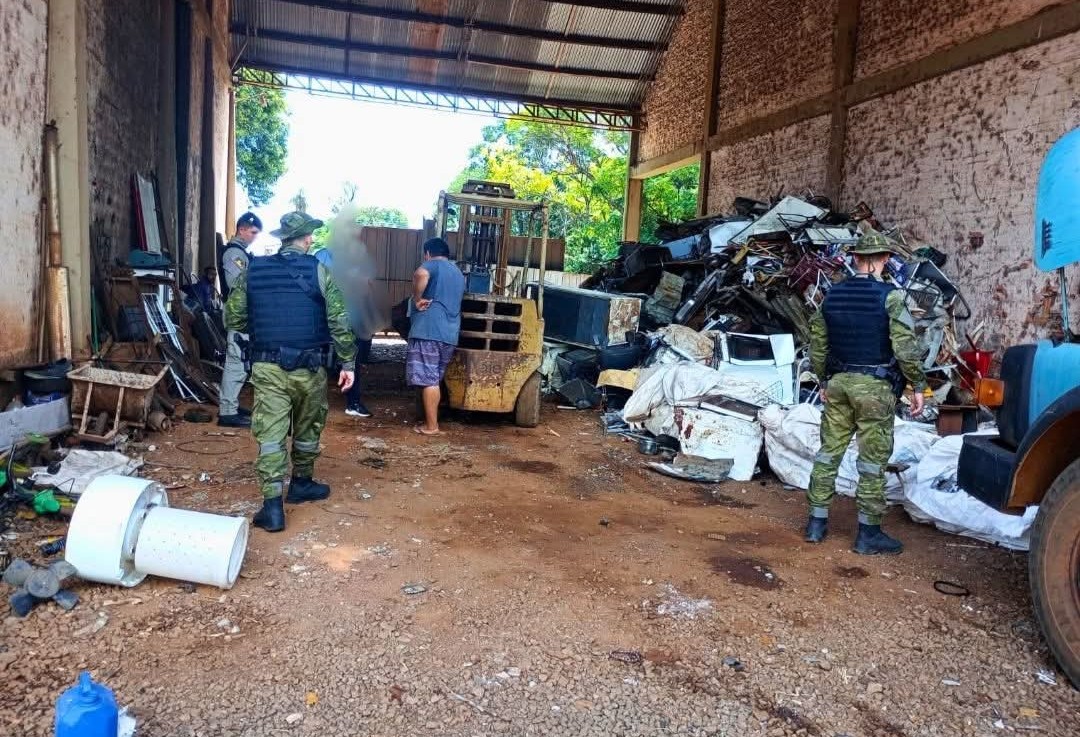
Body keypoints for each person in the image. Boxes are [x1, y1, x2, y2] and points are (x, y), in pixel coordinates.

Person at [224, 211, 357, 533]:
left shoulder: (253, 270)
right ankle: (301, 483)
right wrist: (348, 363)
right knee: (308, 427)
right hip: (310, 367)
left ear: (283, 238)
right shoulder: (319, 270)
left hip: (268, 367)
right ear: (307, 238)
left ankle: (272, 506)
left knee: (270, 434)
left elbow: (233, 319)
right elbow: (339, 321)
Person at [805, 233, 927, 555]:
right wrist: (917, 385)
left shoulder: (831, 295)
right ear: (884, 258)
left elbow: (817, 345)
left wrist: (823, 381)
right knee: (872, 461)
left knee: (828, 452)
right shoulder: (891, 297)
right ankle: (868, 534)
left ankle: (816, 524)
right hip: (874, 388)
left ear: (856, 258)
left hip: (839, 383)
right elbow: (904, 347)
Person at [408, 237, 465, 435]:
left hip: (429, 331)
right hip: (449, 334)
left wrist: (417, 299)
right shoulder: (458, 273)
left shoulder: (432, 265)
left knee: (429, 380)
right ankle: (431, 422)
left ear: (427, 253)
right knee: (435, 379)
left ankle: (432, 426)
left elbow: (420, 274)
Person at [314, 245, 375, 418]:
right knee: (351, 357)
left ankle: (314, 402)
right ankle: (353, 403)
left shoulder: (320, 256)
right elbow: (366, 288)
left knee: (318, 357)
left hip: (321, 317)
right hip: (345, 318)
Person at [217, 212, 262, 428]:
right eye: (253, 232)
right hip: (238, 316)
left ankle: (231, 406)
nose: (255, 236)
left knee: (241, 362)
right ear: (242, 229)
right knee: (236, 362)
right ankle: (227, 412)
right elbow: (238, 284)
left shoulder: (241, 253)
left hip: (242, 316)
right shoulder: (234, 253)